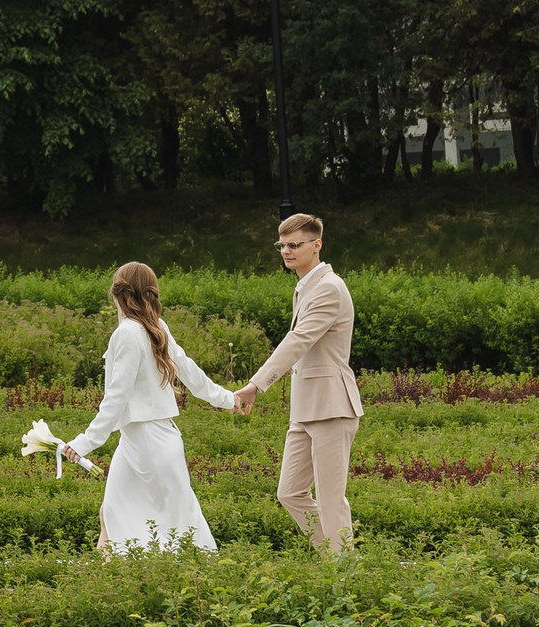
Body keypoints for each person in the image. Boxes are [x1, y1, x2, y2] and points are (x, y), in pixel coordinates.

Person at [62, 261, 242, 552]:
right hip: (140, 441)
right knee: (111, 514)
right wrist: (228, 398)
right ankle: (105, 578)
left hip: (147, 442)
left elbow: (116, 399)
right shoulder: (154, 328)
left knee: (179, 526)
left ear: (117, 294)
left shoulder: (130, 333)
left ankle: (181, 582)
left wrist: (84, 442)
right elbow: (192, 375)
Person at [240, 212, 360, 550]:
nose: (287, 251)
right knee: (290, 492)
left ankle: (345, 574)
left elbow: (298, 341)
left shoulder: (329, 289)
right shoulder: (305, 286)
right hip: (306, 409)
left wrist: (256, 384)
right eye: (282, 245)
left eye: (295, 245)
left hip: (332, 406)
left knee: (331, 500)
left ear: (317, 244)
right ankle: (335, 559)